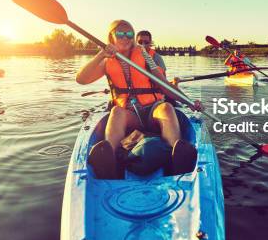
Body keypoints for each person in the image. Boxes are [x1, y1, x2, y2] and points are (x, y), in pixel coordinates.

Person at [76, 20, 201, 179]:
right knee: (116, 112)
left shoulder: (144, 55)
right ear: (111, 37)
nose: (126, 37)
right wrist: (101, 54)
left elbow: (165, 85)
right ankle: (110, 159)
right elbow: (81, 79)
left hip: (152, 111)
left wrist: (189, 102)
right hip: (130, 115)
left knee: (167, 108)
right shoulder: (106, 60)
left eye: (129, 34)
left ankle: (174, 156)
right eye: (120, 33)